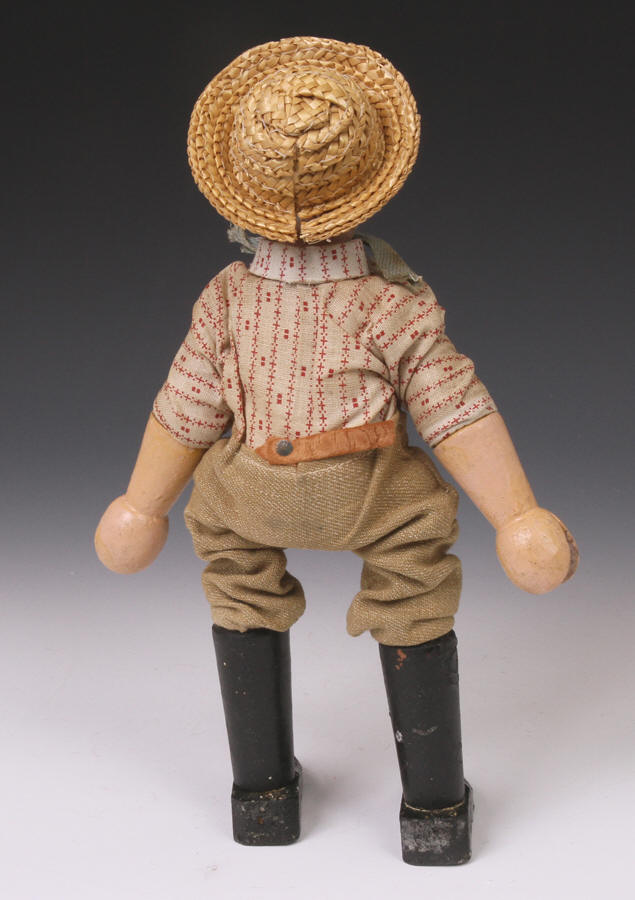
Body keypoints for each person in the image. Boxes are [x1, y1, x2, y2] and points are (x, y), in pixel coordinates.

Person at [95, 36, 578, 864]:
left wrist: (141, 507)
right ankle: (433, 809)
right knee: (415, 587)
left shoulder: (227, 298)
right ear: (369, 176)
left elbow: (187, 406)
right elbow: (453, 407)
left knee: (236, 580)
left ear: (239, 179)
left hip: (250, 487)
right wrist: (518, 515)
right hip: (370, 491)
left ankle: (262, 797)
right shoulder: (390, 303)